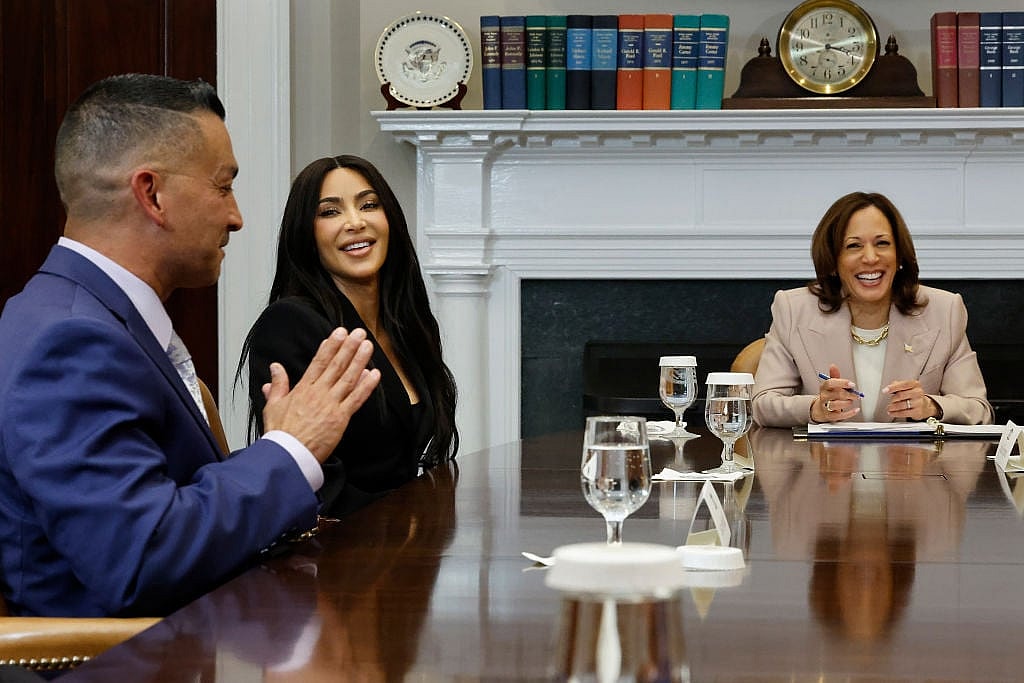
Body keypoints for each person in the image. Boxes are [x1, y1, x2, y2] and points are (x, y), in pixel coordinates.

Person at [0, 74, 382, 618]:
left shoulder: (80, 312)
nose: (237, 216)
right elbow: (142, 556)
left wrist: (279, 448)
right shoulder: (70, 340)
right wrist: (293, 449)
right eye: (223, 186)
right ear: (151, 194)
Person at [238, 155, 458, 516]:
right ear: (305, 234)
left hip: (408, 546)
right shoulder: (290, 324)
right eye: (329, 212)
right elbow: (316, 480)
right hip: (339, 553)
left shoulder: (407, 324)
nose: (355, 222)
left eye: (369, 205)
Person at [752, 191, 993, 428]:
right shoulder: (793, 309)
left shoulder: (944, 310)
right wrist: (816, 408)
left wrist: (931, 406)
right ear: (833, 261)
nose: (870, 257)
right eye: (854, 246)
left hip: (913, 465)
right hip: (824, 465)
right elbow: (762, 405)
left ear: (899, 256)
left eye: (882, 243)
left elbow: (979, 410)